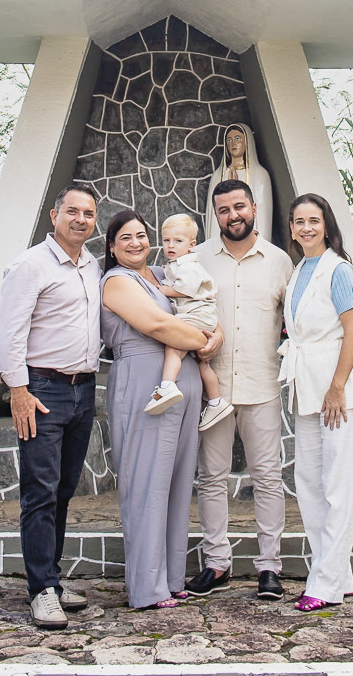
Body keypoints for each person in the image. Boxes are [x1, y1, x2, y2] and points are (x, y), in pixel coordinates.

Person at [101, 208, 221, 610]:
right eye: (125, 238)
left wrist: (214, 334)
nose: (136, 243)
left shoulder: (162, 274)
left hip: (184, 379)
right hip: (144, 379)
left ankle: (171, 578)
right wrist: (203, 337)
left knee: (176, 483)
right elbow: (158, 326)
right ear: (113, 249)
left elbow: (203, 303)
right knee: (147, 483)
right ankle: (147, 588)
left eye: (141, 235)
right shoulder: (117, 281)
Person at [0, 183, 101, 631]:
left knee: (61, 491)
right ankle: (40, 590)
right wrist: (18, 390)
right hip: (42, 391)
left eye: (89, 214)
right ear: (53, 216)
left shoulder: (93, 265)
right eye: (72, 211)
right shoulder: (29, 265)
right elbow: (9, 333)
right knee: (39, 493)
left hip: (84, 389)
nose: (81, 219)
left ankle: (52, 581)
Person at [188, 179, 293, 602]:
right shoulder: (196, 260)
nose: (233, 215)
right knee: (210, 478)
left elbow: (296, 320)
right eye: (224, 210)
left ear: (253, 206)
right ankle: (217, 564)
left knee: (267, 479)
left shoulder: (280, 262)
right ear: (216, 215)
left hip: (262, 384)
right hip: (212, 389)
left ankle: (270, 566)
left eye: (239, 207)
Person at [277, 192, 353, 612]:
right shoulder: (298, 270)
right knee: (309, 483)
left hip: (339, 388)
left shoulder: (339, 270)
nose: (306, 228)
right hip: (306, 384)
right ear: (292, 228)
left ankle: (326, 582)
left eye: (313, 220)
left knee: (337, 485)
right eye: (299, 222)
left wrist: (338, 387)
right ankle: (339, 574)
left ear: (327, 225)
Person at [144, 212, 233, 431]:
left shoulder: (187, 265)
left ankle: (167, 386)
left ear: (192, 245)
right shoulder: (178, 263)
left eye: (178, 241)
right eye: (166, 240)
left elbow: (187, 288)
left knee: (174, 348)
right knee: (202, 363)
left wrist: (163, 290)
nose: (171, 245)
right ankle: (216, 401)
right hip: (203, 317)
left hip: (197, 315)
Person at [205, 123, 274, 242]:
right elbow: (212, 217)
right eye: (229, 140)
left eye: (237, 138)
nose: (233, 143)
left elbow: (263, 215)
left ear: (247, 141)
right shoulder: (218, 176)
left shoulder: (259, 174)